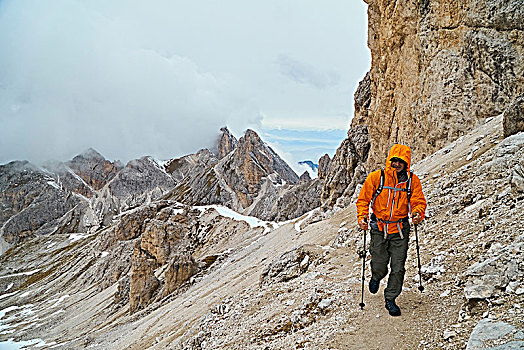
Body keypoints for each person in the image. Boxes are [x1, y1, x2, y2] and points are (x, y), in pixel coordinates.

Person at [356, 144, 427, 316]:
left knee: (398, 266)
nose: (396, 164)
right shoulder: (377, 177)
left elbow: (418, 201)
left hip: (400, 229)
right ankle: (376, 276)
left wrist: (418, 213)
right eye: (394, 161)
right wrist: (362, 216)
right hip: (379, 227)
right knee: (379, 262)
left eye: (400, 162)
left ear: (406, 163)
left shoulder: (412, 181)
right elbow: (363, 199)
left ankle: (391, 298)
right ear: (389, 161)